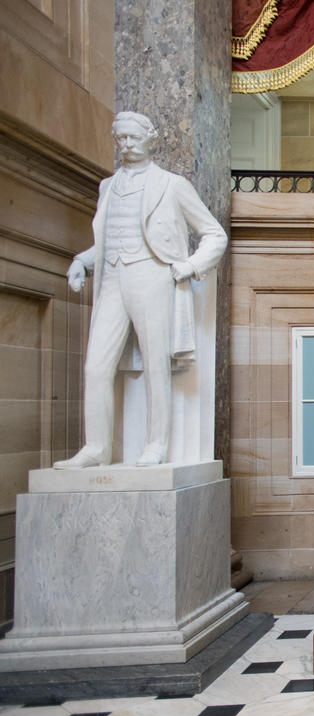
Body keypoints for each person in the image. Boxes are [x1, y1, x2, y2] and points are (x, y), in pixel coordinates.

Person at [54, 112, 228, 468]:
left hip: (152, 275)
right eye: (121, 139)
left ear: (151, 139)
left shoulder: (172, 184)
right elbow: (105, 240)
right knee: (96, 366)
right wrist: (82, 262)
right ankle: (96, 448)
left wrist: (190, 265)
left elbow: (215, 234)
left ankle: (156, 444)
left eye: (134, 138)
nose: (127, 145)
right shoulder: (108, 186)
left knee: (156, 364)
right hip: (112, 278)